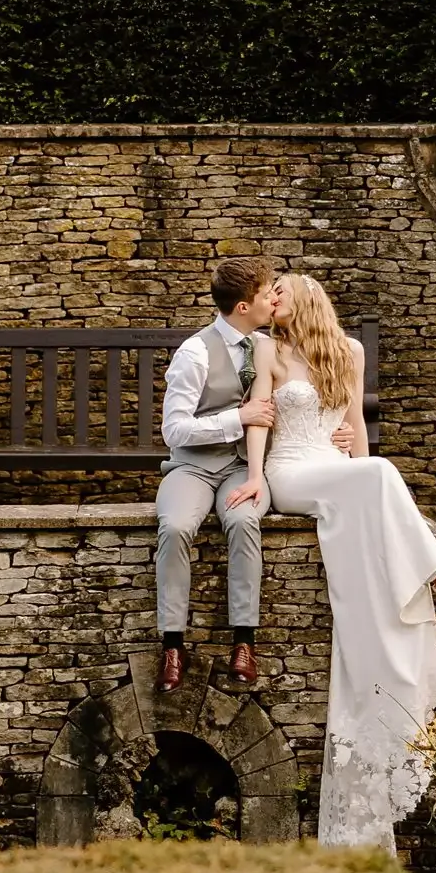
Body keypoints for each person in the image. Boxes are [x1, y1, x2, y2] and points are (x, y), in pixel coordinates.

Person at [226, 273, 436, 852]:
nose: (274, 304)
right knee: (379, 475)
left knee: (379, 472)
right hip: (291, 471)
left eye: (282, 296)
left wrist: (359, 460)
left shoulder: (348, 351)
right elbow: (258, 418)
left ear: (307, 302)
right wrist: (254, 478)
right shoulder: (269, 349)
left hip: (334, 465)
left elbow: (362, 444)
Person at [154, 256, 286, 695]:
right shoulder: (194, 352)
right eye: (267, 293)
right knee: (175, 527)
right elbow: (173, 430)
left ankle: (244, 642)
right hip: (191, 465)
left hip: (243, 468)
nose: (274, 299)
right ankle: (173, 644)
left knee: (244, 521)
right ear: (244, 306)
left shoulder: (267, 345)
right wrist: (237, 416)